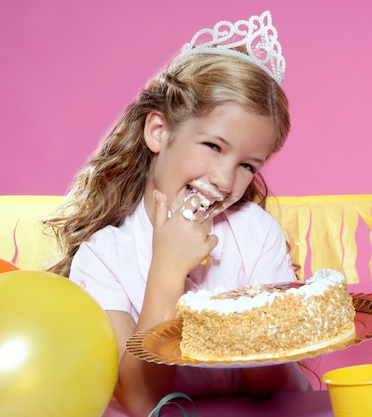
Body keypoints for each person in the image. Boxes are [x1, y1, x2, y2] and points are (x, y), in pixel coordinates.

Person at [44, 10, 311, 417]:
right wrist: (167, 273)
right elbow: (140, 400)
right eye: (213, 146)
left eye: (248, 165)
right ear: (159, 131)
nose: (225, 179)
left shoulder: (256, 233)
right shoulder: (103, 257)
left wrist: (249, 326)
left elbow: (274, 386)